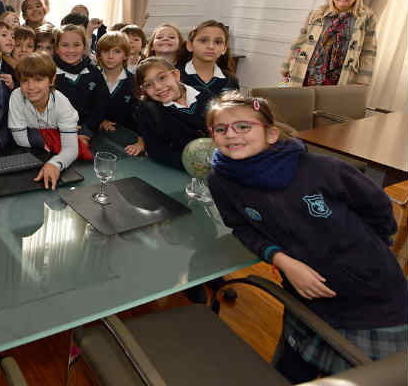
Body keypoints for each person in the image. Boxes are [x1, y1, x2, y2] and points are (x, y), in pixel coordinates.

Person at [206, 91, 407, 381]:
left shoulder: (323, 169)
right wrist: (283, 261)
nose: (231, 134)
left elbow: (379, 211)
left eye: (243, 126)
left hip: (372, 296)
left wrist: (365, 254)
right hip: (304, 292)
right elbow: (242, 228)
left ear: (271, 134)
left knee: (372, 375)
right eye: (221, 129)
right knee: (295, 368)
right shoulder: (220, 179)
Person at [282, 0, 377, 86]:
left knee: (331, 101)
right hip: (308, 69)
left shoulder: (366, 18)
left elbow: (369, 50)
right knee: (301, 99)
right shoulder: (317, 14)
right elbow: (300, 40)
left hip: (341, 74)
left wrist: (363, 78)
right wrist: (287, 65)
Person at [8, 52, 79, 190]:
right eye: (25, 80)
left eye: (38, 80)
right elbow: (20, 139)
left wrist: (55, 164)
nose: (31, 87)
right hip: (29, 157)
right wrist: (47, 137)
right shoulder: (16, 96)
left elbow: (71, 149)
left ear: (52, 80)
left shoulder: (62, 104)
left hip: (54, 157)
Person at [134, 57, 211, 170]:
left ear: (175, 75)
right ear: (143, 89)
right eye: (149, 85)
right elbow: (156, 151)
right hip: (187, 168)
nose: (158, 87)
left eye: (162, 78)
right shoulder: (149, 110)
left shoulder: (205, 95)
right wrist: (193, 164)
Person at [52, 25, 102, 155]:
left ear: (84, 47)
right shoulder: (48, 71)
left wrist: (86, 132)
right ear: (56, 48)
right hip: (55, 131)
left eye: (76, 45)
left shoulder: (93, 72)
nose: (71, 50)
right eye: (65, 45)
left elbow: (100, 106)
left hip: (87, 132)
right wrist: (64, 128)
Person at [94, 31, 144, 156]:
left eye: (117, 51)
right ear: (99, 55)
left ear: (126, 55)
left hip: (126, 139)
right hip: (95, 135)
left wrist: (142, 141)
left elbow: (142, 115)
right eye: (106, 51)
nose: (110, 56)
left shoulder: (134, 81)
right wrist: (99, 121)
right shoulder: (91, 78)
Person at [177, 20, 240, 97]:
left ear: (224, 49)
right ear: (190, 45)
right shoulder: (176, 75)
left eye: (218, 42)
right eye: (203, 41)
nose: (211, 46)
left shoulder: (231, 80)